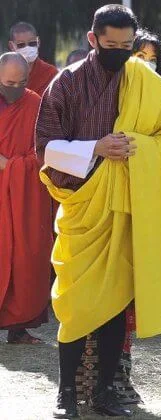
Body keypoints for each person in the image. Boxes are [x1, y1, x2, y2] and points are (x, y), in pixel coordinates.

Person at [35, 5, 161, 418]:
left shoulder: (144, 81)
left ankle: (104, 392)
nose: (119, 52)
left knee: (117, 301)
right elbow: (45, 147)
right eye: (110, 44)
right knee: (74, 301)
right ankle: (66, 394)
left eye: (126, 45)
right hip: (84, 204)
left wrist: (137, 144)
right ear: (93, 39)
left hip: (126, 206)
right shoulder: (65, 84)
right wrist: (96, 148)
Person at [0, 53, 53, 345]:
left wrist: (12, 166)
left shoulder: (35, 103)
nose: (15, 88)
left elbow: (45, 150)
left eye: (21, 82)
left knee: (25, 254)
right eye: (9, 82)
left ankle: (18, 327)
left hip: (24, 196)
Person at [8, 22, 58, 96]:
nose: (27, 48)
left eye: (32, 43)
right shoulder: (4, 73)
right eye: (21, 45)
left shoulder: (51, 73)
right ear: (11, 46)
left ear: (38, 42)